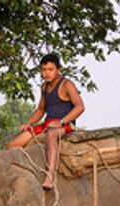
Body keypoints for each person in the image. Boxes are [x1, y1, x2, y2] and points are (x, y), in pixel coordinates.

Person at [7, 53, 85, 190]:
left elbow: (80, 107)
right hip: (47, 124)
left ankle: (50, 175)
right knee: (13, 144)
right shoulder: (44, 87)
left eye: (50, 69)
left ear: (58, 70)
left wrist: (61, 122)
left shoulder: (67, 84)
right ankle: (18, 176)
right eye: (44, 70)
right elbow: (41, 109)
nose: (47, 73)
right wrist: (29, 123)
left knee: (51, 134)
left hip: (65, 125)